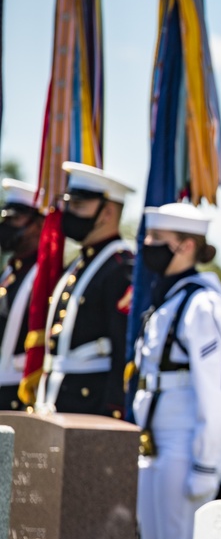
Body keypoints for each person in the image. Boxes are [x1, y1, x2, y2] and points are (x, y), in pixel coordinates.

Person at [132, 203, 221, 539]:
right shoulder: (168, 299)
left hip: (182, 444)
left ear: (186, 246)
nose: (148, 247)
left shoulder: (202, 304)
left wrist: (207, 464)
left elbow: (213, 391)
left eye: (158, 241)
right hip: (152, 442)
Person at [32, 162, 135, 417]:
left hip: (91, 405)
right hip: (57, 398)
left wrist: (114, 410)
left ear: (107, 213)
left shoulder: (121, 267)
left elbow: (123, 347)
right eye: (69, 204)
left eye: (78, 206)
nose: (69, 212)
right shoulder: (78, 265)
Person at [0, 179, 44, 410]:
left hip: (18, 395)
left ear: (38, 224)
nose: (7, 226)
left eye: (15, 219)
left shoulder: (46, 278)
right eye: (5, 219)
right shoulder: (9, 273)